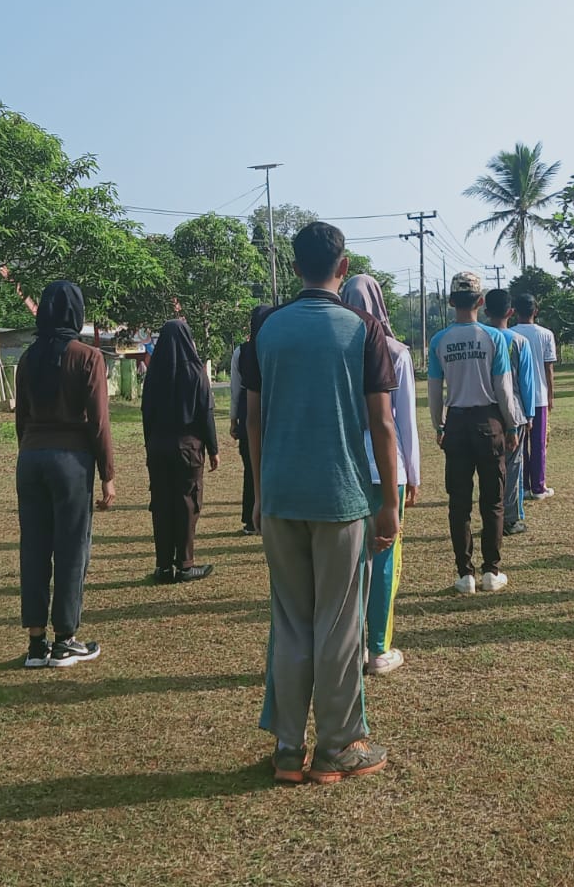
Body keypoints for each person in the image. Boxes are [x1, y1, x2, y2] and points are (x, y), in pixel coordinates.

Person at [241, 222, 401, 784]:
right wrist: (390, 501)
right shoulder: (362, 329)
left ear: (294, 263)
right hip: (341, 496)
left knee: (288, 621)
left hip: (280, 495)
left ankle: (289, 748)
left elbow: (252, 419)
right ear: (344, 264)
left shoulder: (267, 328)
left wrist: (260, 492)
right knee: (337, 624)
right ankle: (336, 747)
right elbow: (382, 422)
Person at [14, 281, 116, 669]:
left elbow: (20, 417)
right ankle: (65, 640)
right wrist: (107, 473)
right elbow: (99, 422)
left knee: (35, 548)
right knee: (72, 548)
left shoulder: (27, 358)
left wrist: (30, 451)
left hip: (31, 458)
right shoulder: (88, 357)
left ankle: (36, 643)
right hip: (71, 461)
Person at [342, 274, 421, 676]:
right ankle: (379, 647)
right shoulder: (396, 352)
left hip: (345, 469)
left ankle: (351, 647)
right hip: (387, 469)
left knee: (349, 561)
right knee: (386, 558)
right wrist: (413, 473)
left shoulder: (336, 347)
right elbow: (402, 420)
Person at [428, 272, 525, 594]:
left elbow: (434, 390)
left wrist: (438, 425)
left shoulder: (439, 341)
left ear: (451, 300)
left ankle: (464, 573)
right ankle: (491, 571)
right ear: (481, 302)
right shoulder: (494, 338)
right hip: (489, 423)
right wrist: (511, 425)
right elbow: (503, 388)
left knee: (458, 503)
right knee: (492, 501)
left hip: (455, 422)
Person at [142, 318, 220, 583]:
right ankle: (185, 564)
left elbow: (146, 413)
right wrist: (213, 449)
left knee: (162, 505)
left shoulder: (154, 373)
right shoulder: (196, 372)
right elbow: (205, 414)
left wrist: (149, 445)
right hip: (188, 447)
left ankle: (163, 566)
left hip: (158, 446)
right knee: (188, 503)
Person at [484, 288, 539, 537]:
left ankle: (490, 516)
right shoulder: (519, 342)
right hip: (514, 411)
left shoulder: (482, 338)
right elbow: (527, 383)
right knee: (513, 467)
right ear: (511, 312)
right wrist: (529, 415)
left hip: (486, 411)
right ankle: (511, 518)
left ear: (486, 311)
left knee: (489, 468)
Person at [511, 295, 558, 502]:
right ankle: (539, 486)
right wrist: (550, 396)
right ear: (535, 311)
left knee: (519, 444)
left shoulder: (508, 334)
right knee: (538, 443)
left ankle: (523, 486)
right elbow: (549, 368)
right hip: (539, 396)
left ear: (514, 311)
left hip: (516, 397)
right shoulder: (546, 334)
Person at [230, 318, 259, 536]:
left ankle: (250, 520)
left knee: (251, 468)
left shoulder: (242, 351)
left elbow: (234, 389)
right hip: (273, 412)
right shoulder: (275, 346)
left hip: (246, 411)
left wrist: (233, 420)